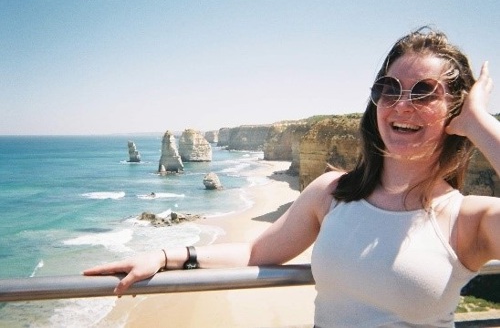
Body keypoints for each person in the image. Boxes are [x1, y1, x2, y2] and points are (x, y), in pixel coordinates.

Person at [84, 27, 499, 327]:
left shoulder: (467, 219)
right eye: (389, 88)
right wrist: (163, 256)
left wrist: (479, 124)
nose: (402, 104)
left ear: (455, 112)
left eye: (425, 92)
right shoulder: (332, 192)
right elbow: (257, 252)